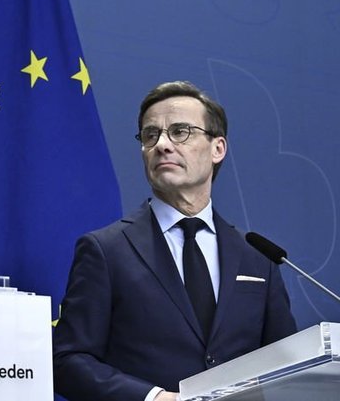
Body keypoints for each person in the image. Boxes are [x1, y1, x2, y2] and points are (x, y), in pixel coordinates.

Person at [52, 81, 297, 401]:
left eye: (180, 132)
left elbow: (288, 366)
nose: (162, 145)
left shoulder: (257, 257)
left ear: (218, 148)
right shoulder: (106, 250)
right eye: (150, 135)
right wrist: (153, 398)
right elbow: (68, 360)